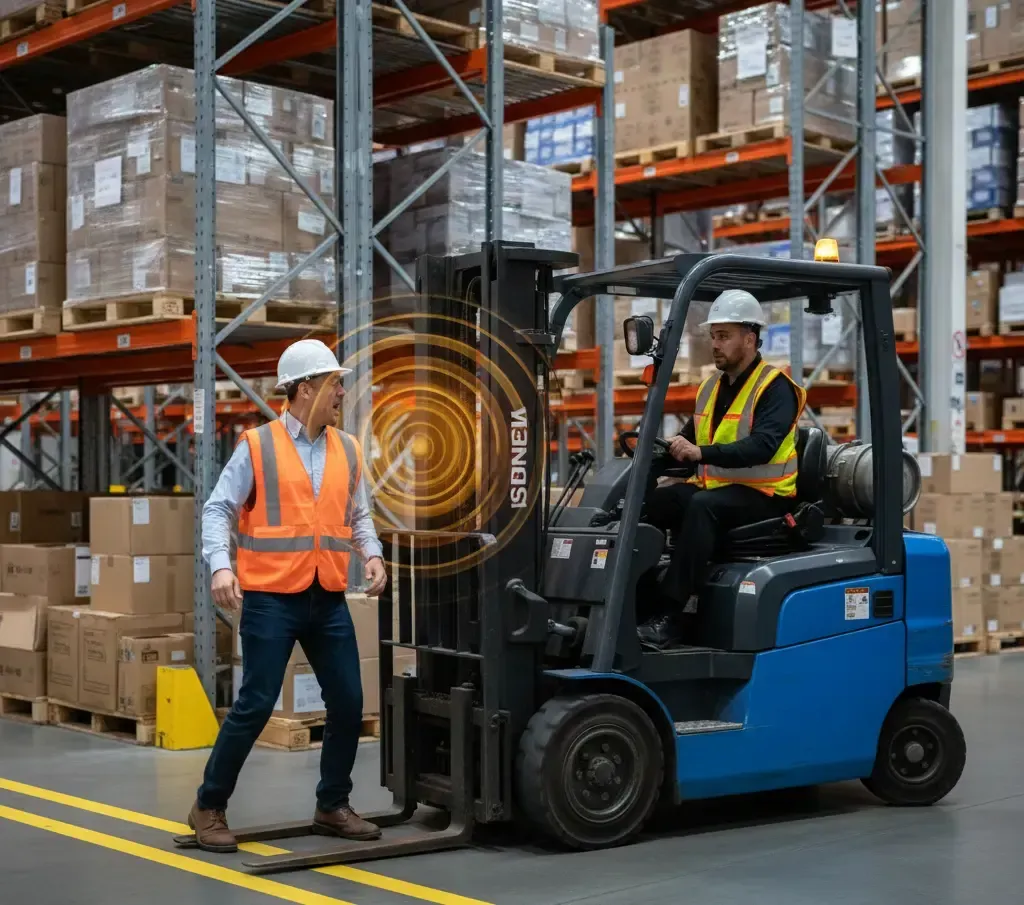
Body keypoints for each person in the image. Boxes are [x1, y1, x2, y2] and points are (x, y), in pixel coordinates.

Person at [187, 338, 389, 854]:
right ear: (305, 389)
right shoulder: (258, 445)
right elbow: (217, 510)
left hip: (326, 595)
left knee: (348, 700)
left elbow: (358, 513)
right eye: (333, 383)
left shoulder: (347, 448)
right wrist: (220, 566)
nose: (342, 391)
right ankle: (208, 806)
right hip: (271, 598)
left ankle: (332, 804)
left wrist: (372, 554)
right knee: (254, 704)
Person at [638, 290, 807, 648]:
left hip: (768, 498)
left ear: (750, 338)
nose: (715, 344)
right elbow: (689, 439)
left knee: (702, 507)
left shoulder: (775, 388)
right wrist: (660, 452)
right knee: (654, 501)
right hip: (722, 490)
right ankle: (636, 599)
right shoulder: (710, 388)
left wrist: (700, 453)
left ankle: (669, 615)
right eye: (713, 336)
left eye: (724, 336)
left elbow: (763, 446)